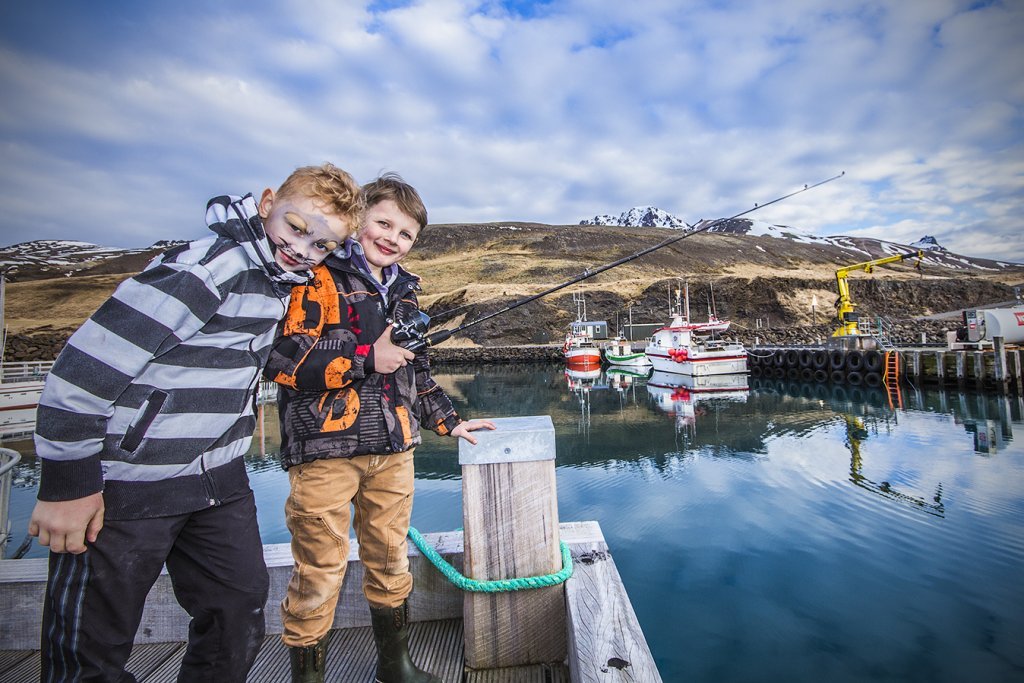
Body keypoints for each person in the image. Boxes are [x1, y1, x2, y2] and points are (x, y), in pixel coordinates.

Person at [29, 162, 364, 683]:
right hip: (129, 484)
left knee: (238, 608)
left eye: (320, 245)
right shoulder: (206, 271)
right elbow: (79, 373)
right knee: (91, 645)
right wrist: (68, 486)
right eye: (296, 228)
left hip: (219, 482)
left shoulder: (283, 282)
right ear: (268, 202)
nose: (302, 249)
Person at [265, 172, 495, 683]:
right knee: (318, 572)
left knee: (392, 562)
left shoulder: (407, 290)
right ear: (357, 220)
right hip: (323, 452)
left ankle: (397, 669)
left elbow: (413, 369)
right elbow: (283, 360)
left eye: (406, 234)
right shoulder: (314, 272)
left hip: (394, 449)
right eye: (383, 223)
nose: (392, 238)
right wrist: (369, 357)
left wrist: (449, 420)